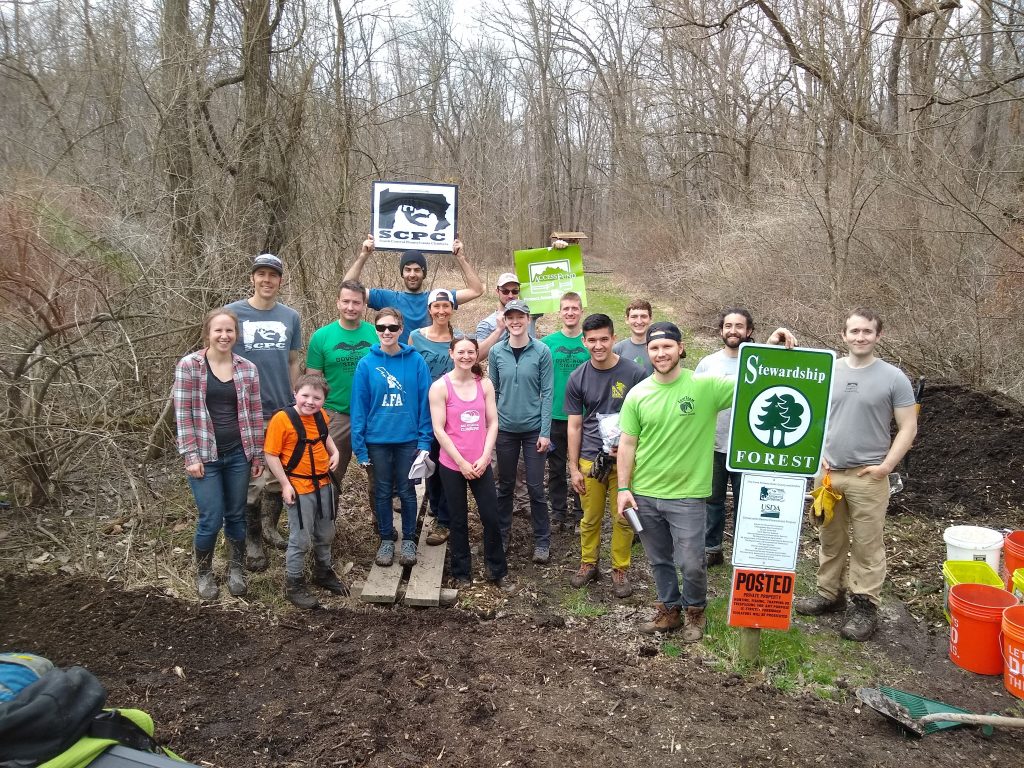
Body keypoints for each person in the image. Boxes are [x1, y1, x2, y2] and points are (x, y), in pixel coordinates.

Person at [616, 322, 796, 641]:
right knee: (659, 560)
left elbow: (752, 379)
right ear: (648, 351)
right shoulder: (638, 394)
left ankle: (695, 611)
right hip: (645, 494)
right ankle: (669, 610)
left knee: (692, 563)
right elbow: (628, 444)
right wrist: (623, 488)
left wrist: (768, 347)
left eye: (667, 346)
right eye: (654, 348)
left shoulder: (706, 386)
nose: (661, 353)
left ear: (680, 348)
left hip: (688, 496)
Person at [794, 308, 918, 642]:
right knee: (830, 537)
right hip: (828, 475)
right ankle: (829, 593)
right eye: (854, 331)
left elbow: (908, 427)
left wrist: (886, 466)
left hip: (869, 476)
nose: (860, 337)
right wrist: (815, 453)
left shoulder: (893, 378)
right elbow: (810, 415)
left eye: (867, 331)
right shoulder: (828, 372)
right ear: (844, 335)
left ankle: (864, 604)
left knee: (867, 544)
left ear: (878, 335)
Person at [174, 308, 264, 601]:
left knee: (236, 515)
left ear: (236, 335)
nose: (224, 336)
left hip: (239, 454)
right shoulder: (190, 366)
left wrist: (257, 455)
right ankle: (204, 572)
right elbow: (183, 415)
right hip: (205, 457)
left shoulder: (247, 369)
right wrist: (191, 456)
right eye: (218, 330)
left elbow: (255, 413)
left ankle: (236, 569)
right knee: (211, 518)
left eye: (229, 331)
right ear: (208, 333)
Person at [227, 253, 303, 571]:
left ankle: (271, 528)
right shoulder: (232, 314)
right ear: (252, 278)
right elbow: (220, 359)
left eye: (273, 275)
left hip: (282, 409)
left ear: (280, 280)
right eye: (261, 274)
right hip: (246, 412)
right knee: (253, 480)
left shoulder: (290, 317)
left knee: (278, 476)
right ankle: (253, 539)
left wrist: (297, 401)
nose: (267, 280)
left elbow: (293, 361)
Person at [565, 314, 646, 597]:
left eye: (603, 339)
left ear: (613, 338)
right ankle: (589, 563)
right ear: (584, 342)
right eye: (592, 340)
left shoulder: (635, 374)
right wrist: (574, 468)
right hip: (591, 459)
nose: (598, 345)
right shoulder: (578, 377)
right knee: (590, 517)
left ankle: (620, 569)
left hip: (626, 459)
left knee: (624, 516)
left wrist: (630, 445)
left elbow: (646, 417)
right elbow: (574, 425)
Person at [351, 308, 433, 567]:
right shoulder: (366, 364)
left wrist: (424, 440)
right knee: (383, 491)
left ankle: (408, 539)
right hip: (377, 440)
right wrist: (359, 446)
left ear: (401, 329)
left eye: (392, 327)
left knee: (407, 491)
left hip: (407, 439)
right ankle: (386, 539)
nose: (387, 332)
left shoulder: (415, 361)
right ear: (376, 330)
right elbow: (359, 407)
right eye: (381, 327)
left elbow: (425, 403)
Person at [428, 336, 511, 590]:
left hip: (480, 463)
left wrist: (485, 456)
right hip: (453, 464)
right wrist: (461, 462)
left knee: (491, 516)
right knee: (457, 519)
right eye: (461, 352)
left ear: (477, 354)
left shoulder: (484, 384)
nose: (466, 357)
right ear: (451, 353)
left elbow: (493, 423)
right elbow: (439, 430)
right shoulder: (440, 387)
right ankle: (461, 573)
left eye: (471, 352)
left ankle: (496, 570)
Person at [263, 374, 347, 609]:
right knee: (300, 538)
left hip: (324, 483)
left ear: (324, 400)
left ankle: (323, 571)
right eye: (305, 395)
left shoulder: (320, 415)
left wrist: (335, 452)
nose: (310, 401)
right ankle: (294, 583)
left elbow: (324, 436)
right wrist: (285, 484)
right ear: (295, 394)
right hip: (299, 487)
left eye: (316, 398)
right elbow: (271, 454)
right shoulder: (282, 419)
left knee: (326, 532)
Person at [488, 299, 554, 563]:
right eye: (510, 317)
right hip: (505, 429)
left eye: (520, 317)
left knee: (536, 488)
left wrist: (545, 432)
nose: (515, 322)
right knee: (504, 486)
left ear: (528, 319)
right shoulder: (496, 352)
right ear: (505, 321)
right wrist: (491, 428)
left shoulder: (541, 351)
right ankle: (502, 536)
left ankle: (542, 540)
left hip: (533, 430)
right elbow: (492, 391)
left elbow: (547, 392)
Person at [305, 280, 378, 498]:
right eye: (346, 301)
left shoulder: (375, 333)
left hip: (372, 415)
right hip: (336, 415)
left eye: (356, 302)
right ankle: (326, 518)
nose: (350, 307)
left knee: (380, 477)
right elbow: (313, 380)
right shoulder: (322, 337)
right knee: (330, 475)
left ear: (364, 305)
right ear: (337, 302)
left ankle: (381, 517)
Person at [693, 308, 754, 567]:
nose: (733, 331)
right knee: (713, 501)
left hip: (747, 447)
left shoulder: (759, 362)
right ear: (721, 330)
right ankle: (712, 549)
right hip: (714, 443)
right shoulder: (708, 364)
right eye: (728, 326)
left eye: (739, 326)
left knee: (746, 503)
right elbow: (695, 401)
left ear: (749, 331)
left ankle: (744, 552)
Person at [343, 235, 483, 344]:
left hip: (431, 363)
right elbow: (348, 288)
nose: (412, 274)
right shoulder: (388, 298)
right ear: (402, 273)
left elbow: (476, 290)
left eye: (417, 270)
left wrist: (461, 258)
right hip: (400, 362)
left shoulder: (437, 299)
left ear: (424, 273)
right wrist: (363, 256)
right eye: (408, 270)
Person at [409, 289, 464, 545]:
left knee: (447, 464)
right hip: (424, 411)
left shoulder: (459, 338)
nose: (442, 311)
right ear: (429, 309)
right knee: (429, 460)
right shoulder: (416, 337)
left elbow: (469, 367)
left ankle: (444, 519)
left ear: (452, 309)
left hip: (453, 411)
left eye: (446, 306)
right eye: (437, 306)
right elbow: (410, 372)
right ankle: (436, 504)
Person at [539, 292, 588, 531]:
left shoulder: (588, 342)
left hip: (584, 415)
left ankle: (581, 513)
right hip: (555, 414)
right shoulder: (548, 343)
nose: (570, 313)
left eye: (574, 308)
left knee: (582, 466)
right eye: (566, 308)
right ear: (559, 312)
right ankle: (558, 513)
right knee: (556, 468)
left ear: (581, 311)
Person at [475, 273, 540, 354]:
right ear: (497, 291)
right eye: (505, 291)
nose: (510, 295)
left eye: (515, 291)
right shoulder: (487, 324)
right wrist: (499, 330)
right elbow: (478, 356)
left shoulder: (530, 313)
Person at [612, 299, 654, 375]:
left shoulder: (659, 348)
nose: (639, 321)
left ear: (650, 319)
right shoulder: (617, 350)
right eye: (634, 317)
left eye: (643, 316)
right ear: (627, 319)